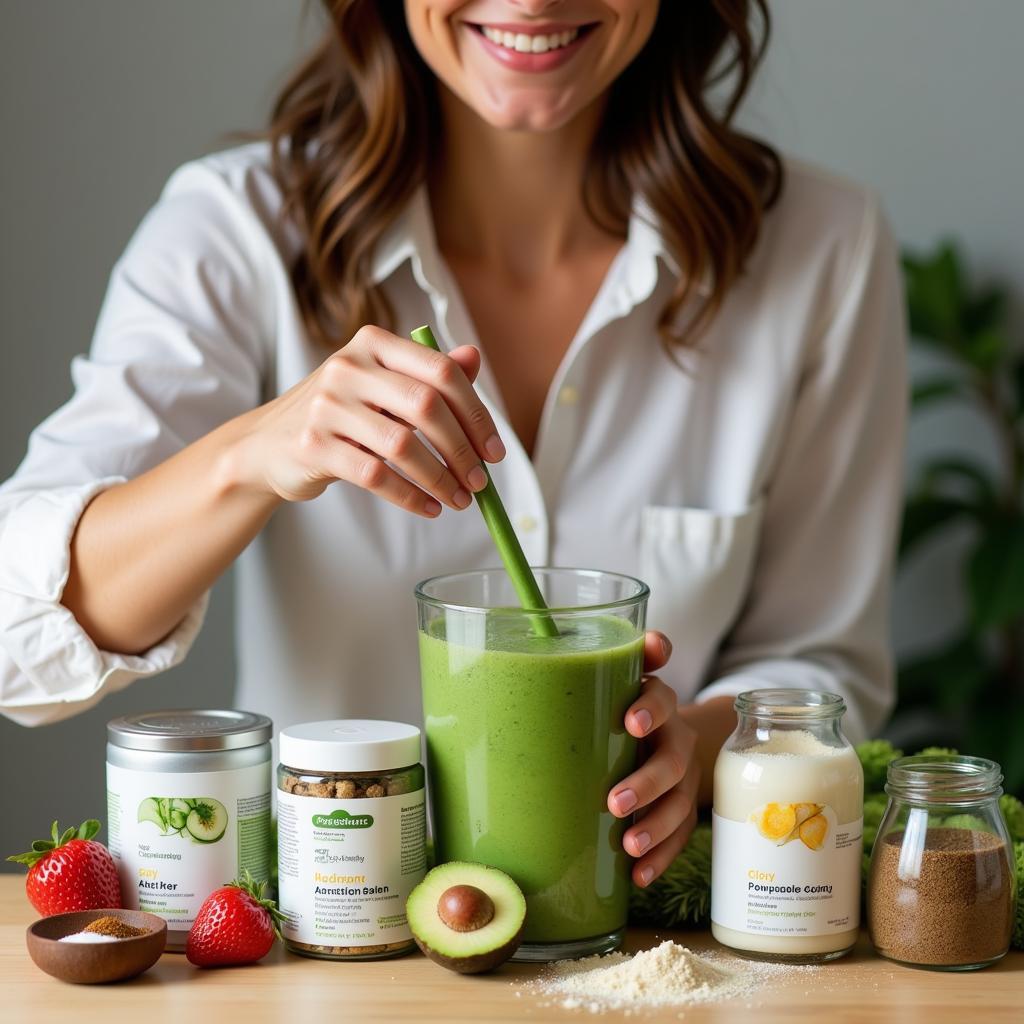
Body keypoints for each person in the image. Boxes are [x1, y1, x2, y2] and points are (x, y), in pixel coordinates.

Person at [0, 1, 905, 887]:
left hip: (642, 931)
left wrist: (698, 747)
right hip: (328, 944)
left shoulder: (823, 250)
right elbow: (19, 637)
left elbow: (824, 659)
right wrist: (254, 454)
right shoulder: (234, 230)